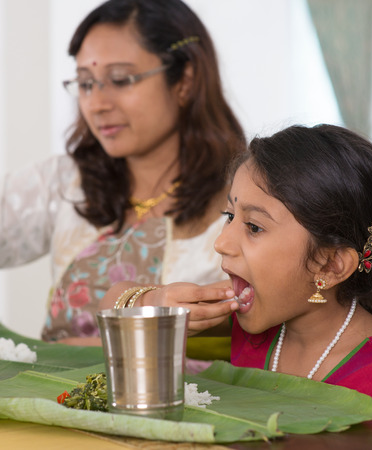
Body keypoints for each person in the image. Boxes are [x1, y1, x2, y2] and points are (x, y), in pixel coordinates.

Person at [103, 124, 372, 431]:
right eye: (229, 215)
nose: (221, 243)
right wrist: (152, 302)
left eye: (254, 226)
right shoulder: (253, 320)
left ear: (330, 266)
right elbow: (111, 303)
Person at [0, 0, 245, 358]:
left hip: (182, 406)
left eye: (120, 80)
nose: (97, 103)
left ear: (185, 80)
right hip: (51, 404)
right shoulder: (67, 182)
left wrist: (81, 349)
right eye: (85, 83)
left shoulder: (245, 197)